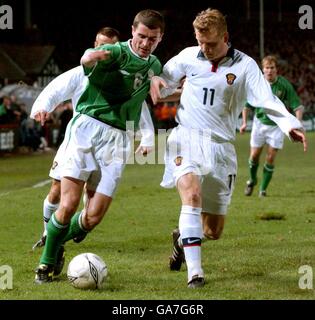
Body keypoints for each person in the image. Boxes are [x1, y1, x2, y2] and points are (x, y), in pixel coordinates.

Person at [150, 8, 307, 288]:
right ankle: (195, 274)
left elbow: (266, 99)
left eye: (211, 43)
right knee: (192, 196)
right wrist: (155, 81)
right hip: (185, 137)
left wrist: (290, 124)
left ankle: (182, 236)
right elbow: (160, 85)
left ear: (226, 36)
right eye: (201, 42)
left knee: (213, 230)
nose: (205, 49)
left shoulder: (245, 66)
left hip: (221, 148)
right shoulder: (187, 57)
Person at [32, 9, 164, 284]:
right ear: (132, 31)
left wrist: (150, 135)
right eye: (141, 36)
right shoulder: (115, 51)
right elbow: (83, 64)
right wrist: (89, 57)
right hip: (87, 130)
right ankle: (46, 263)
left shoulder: (154, 65)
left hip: (118, 142)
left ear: (160, 37)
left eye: (152, 38)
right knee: (67, 203)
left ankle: (55, 243)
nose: (145, 43)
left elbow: (142, 101)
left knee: (92, 217)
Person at [31, 27, 121, 252]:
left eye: (109, 48)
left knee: (92, 194)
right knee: (56, 189)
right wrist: (42, 107)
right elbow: (56, 89)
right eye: (100, 46)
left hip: (105, 144)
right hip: (76, 141)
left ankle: (76, 227)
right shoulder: (81, 72)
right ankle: (48, 234)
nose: (103, 52)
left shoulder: (119, 77)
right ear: (94, 45)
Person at [240, 55, 304, 197]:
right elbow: (246, 105)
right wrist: (244, 122)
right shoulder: (257, 84)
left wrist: (297, 125)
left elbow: (298, 107)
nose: (269, 71)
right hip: (259, 123)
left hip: (276, 127)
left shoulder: (284, 85)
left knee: (270, 157)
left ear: (276, 70)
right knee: (254, 156)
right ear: (262, 70)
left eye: (272, 68)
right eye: (267, 68)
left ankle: (262, 190)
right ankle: (252, 180)